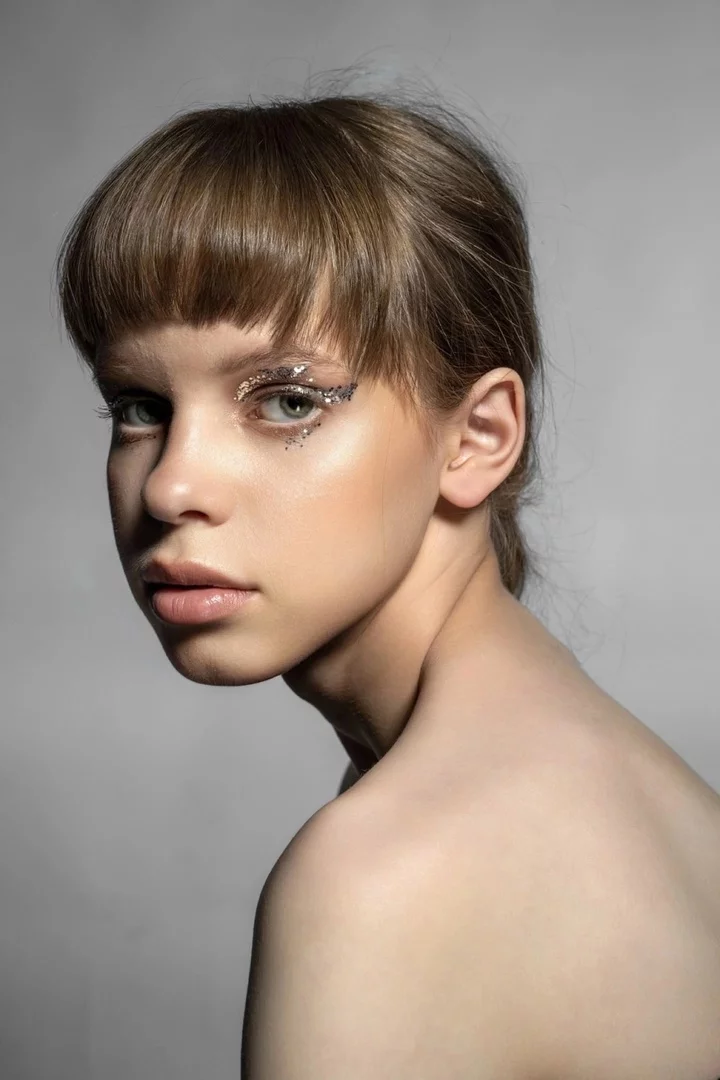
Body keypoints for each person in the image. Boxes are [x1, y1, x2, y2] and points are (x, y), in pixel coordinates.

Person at [54, 91, 720, 1079]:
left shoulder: (388, 875)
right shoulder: (637, 798)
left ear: (478, 437)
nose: (170, 485)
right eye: (141, 406)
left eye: (287, 401)